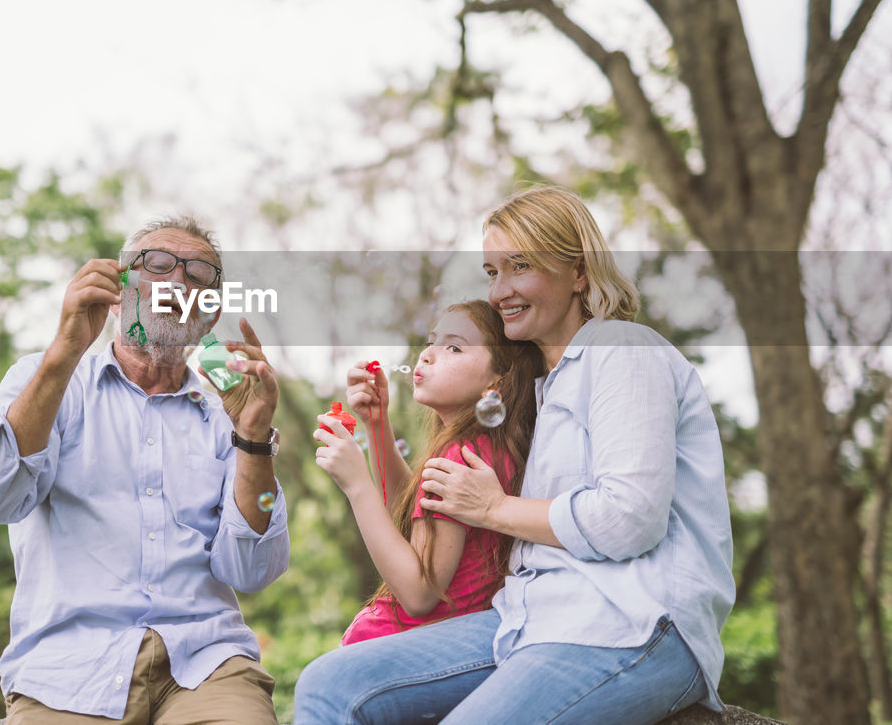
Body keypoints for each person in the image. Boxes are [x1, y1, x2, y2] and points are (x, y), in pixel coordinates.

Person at [295, 186, 735, 724]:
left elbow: (630, 518)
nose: (500, 289)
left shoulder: (622, 348)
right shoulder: (541, 393)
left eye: (519, 266)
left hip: (632, 623)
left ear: (579, 272)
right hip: (529, 618)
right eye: (491, 271)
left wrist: (492, 508)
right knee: (329, 682)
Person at [0, 215, 289, 725]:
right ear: (117, 291)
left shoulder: (231, 407)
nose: (178, 282)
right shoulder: (44, 378)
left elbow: (250, 572)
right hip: (68, 671)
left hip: (206, 665)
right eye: (157, 265)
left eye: (199, 275)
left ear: (210, 311)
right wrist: (64, 351)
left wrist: (251, 436)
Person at [315, 300, 541, 645]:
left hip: (406, 648)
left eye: (454, 347)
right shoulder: (484, 450)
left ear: (496, 379)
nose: (428, 355)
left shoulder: (458, 458)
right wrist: (376, 423)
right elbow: (410, 523)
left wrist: (358, 485)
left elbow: (419, 594)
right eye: (432, 341)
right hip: (430, 644)